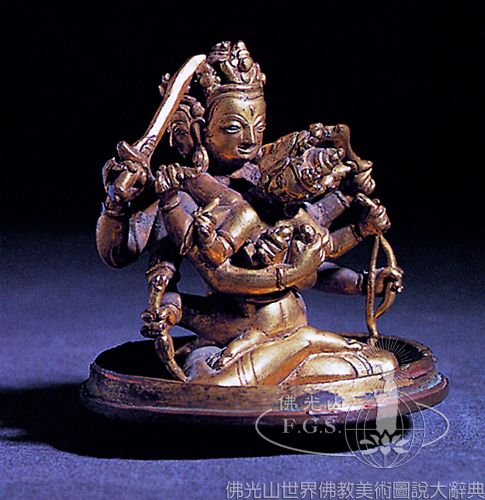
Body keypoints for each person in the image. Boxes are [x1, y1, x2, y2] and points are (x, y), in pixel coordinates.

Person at [96, 41, 402, 385]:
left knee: (381, 364)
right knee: (208, 385)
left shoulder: (273, 180)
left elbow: (315, 263)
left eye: (258, 125)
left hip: (286, 325)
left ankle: (301, 348)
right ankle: (303, 349)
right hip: (228, 333)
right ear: (198, 131)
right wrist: (117, 205)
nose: (249, 139)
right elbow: (118, 253)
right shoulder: (181, 194)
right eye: (233, 127)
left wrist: (364, 283)